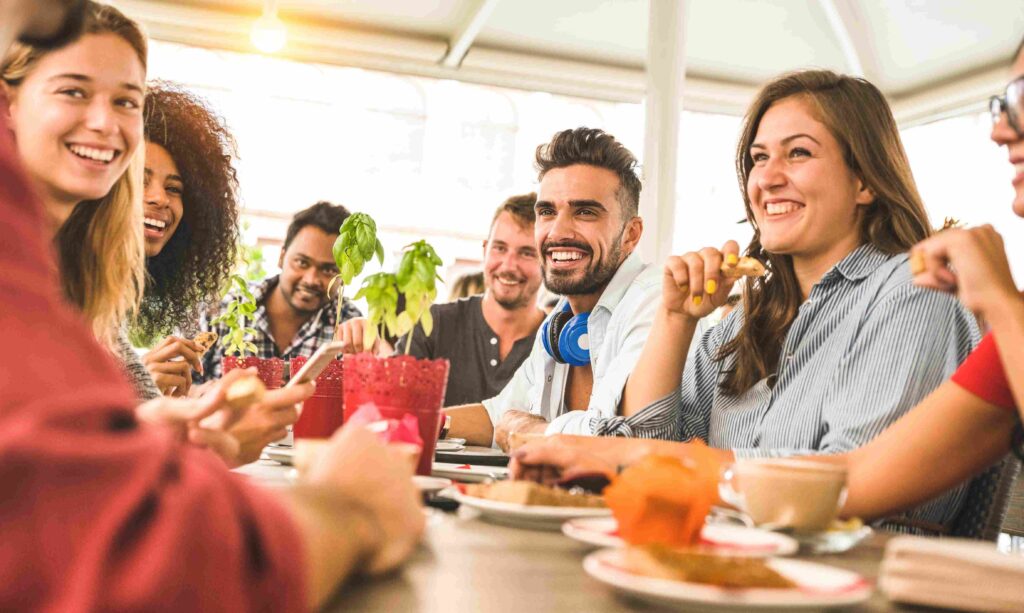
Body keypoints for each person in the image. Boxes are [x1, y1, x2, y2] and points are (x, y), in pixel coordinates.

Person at [0, 2, 423, 610]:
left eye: (126, 102)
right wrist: (352, 509)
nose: (105, 123)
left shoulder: (83, 284)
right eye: (73, 90)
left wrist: (165, 435)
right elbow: (147, 566)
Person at [513, 70, 982, 533]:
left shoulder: (914, 291)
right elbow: (649, 443)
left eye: (798, 153)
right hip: (725, 571)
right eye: (759, 158)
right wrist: (675, 318)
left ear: (865, 180)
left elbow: (843, 485)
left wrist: (624, 455)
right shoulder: (742, 322)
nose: (768, 178)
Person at [444, 128, 662, 450]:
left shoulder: (654, 301)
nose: (558, 231)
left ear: (631, 234)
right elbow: (498, 419)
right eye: (547, 212)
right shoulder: (560, 322)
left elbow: (623, 436)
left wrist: (536, 431)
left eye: (585, 212)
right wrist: (406, 425)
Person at [339, 193, 546, 407]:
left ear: (547, 260)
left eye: (527, 253)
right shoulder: (436, 323)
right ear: (485, 250)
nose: (509, 265)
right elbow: (390, 403)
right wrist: (363, 349)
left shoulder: (554, 342)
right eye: (500, 248)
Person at [134, 81, 241, 398]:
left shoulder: (128, 294)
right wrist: (138, 386)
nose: (160, 199)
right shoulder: (59, 281)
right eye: (141, 180)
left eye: (174, 189)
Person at [198, 201, 362, 380]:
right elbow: (176, 388)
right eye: (302, 262)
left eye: (329, 270)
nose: (311, 279)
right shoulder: (224, 310)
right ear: (281, 257)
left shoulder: (349, 322)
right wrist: (207, 394)